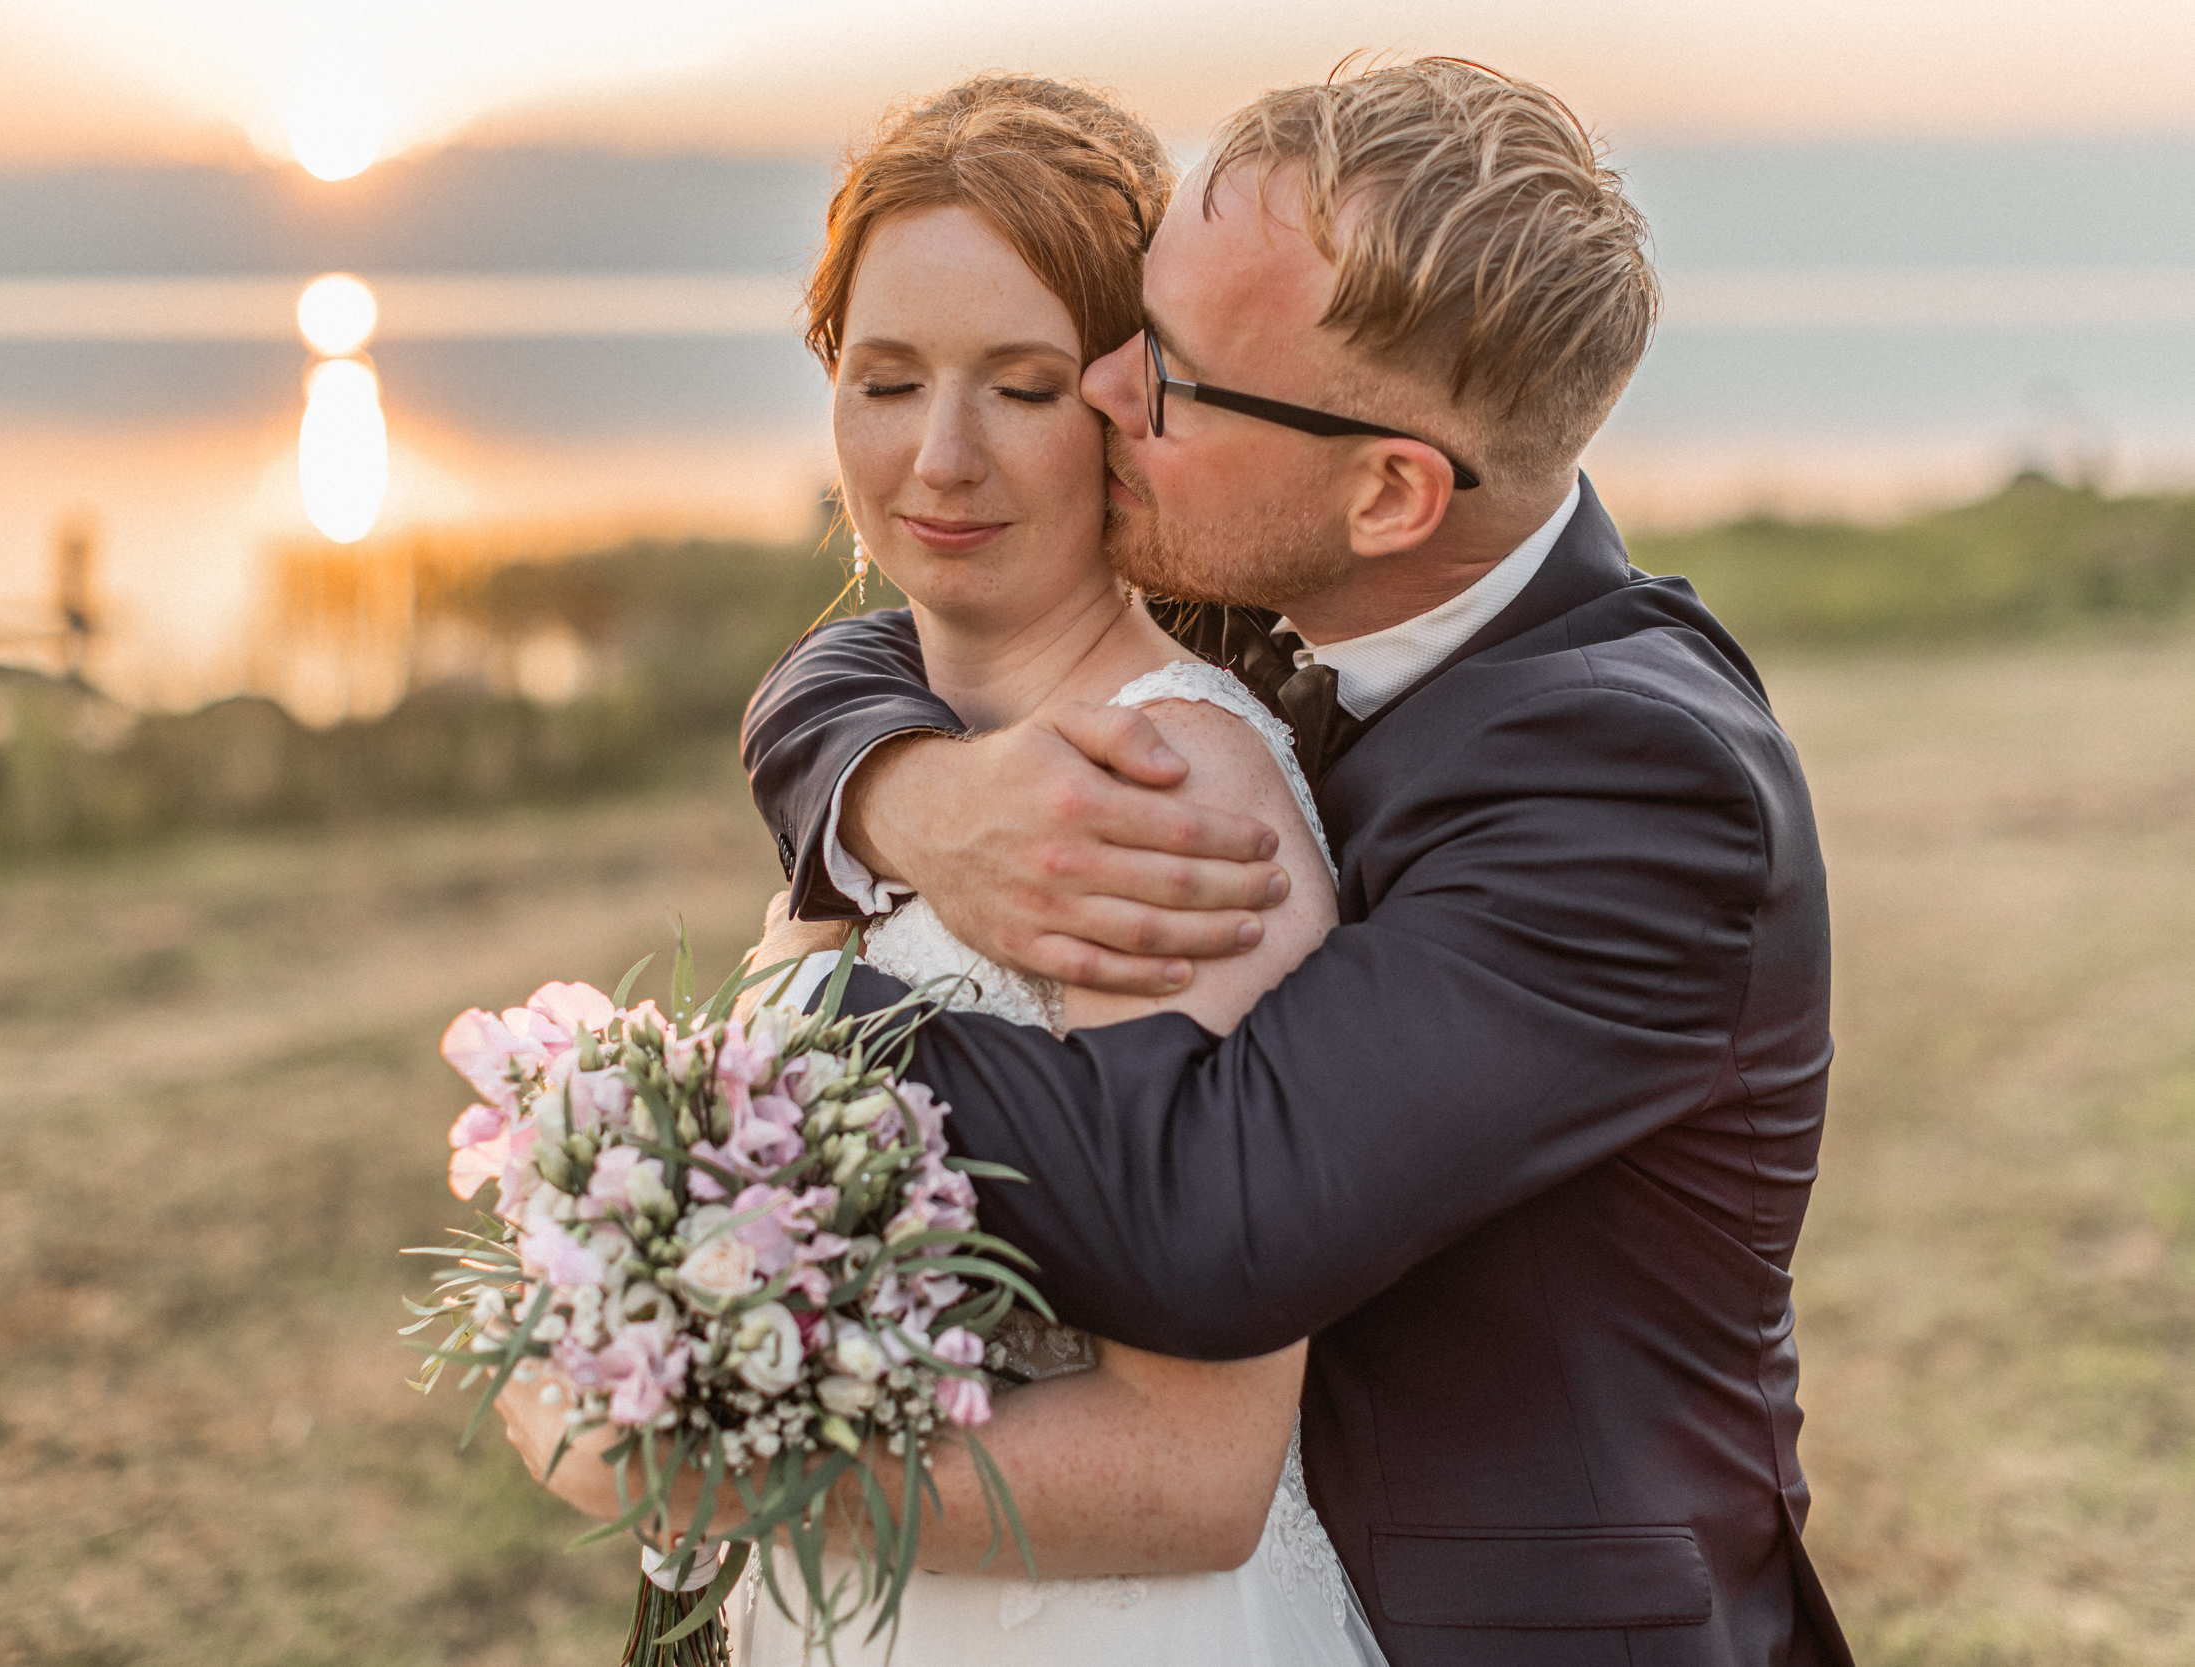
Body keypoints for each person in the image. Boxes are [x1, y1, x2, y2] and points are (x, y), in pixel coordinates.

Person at [738, 56, 1858, 1667]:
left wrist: (790, 1035)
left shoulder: (1634, 785)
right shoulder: (1305, 594)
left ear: (1390, 492)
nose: (1114, 389)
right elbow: (873, 656)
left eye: (1169, 374)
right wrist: (899, 795)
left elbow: (1214, 1221)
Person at [501, 76, 1386, 1667]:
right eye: (889, 380)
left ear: (1131, 398)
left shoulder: (1164, 790)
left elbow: (1201, 1471)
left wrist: (719, 1464)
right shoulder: (890, 752)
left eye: (1025, 387)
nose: (943, 459)